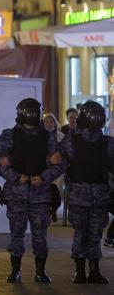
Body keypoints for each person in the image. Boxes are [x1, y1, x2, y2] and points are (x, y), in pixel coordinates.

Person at [0, 98, 65, 284]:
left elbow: (60, 164)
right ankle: (15, 271)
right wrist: (16, 177)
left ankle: (40, 272)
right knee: (16, 235)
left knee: (40, 237)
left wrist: (43, 178)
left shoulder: (48, 136)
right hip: (16, 194)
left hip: (40, 194)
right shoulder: (9, 135)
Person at [59, 100, 113, 284]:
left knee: (95, 234)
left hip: (99, 196)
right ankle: (80, 271)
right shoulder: (71, 142)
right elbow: (59, 165)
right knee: (81, 233)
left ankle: (94, 271)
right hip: (80, 196)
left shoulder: (107, 143)